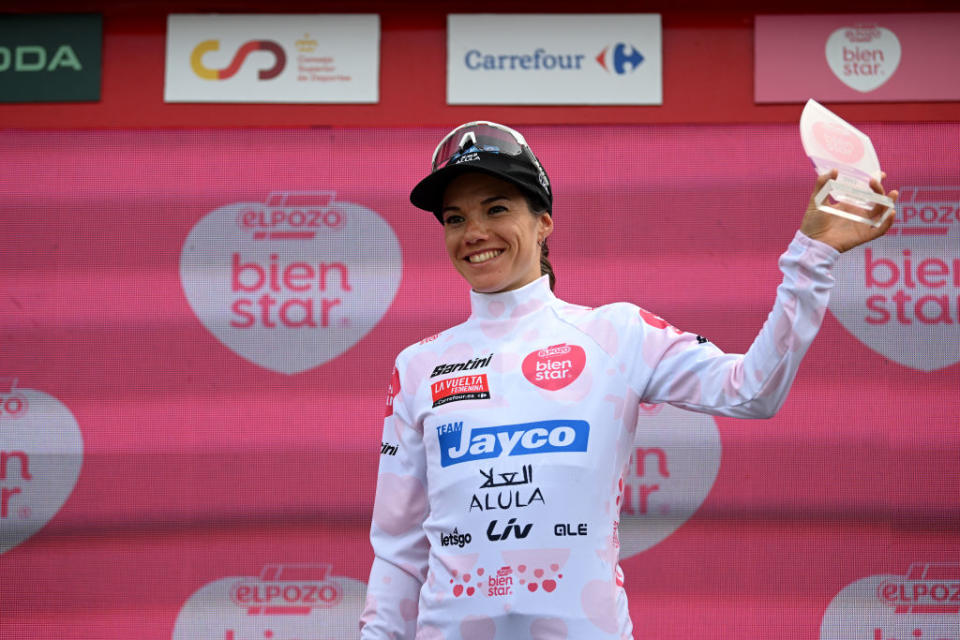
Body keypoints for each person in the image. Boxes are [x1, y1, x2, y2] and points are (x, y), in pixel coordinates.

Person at [359, 121, 897, 639]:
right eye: (455, 218)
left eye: (496, 208)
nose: (474, 233)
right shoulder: (418, 365)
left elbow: (752, 389)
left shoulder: (616, 332)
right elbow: (399, 550)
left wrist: (815, 255)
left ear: (543, 221)